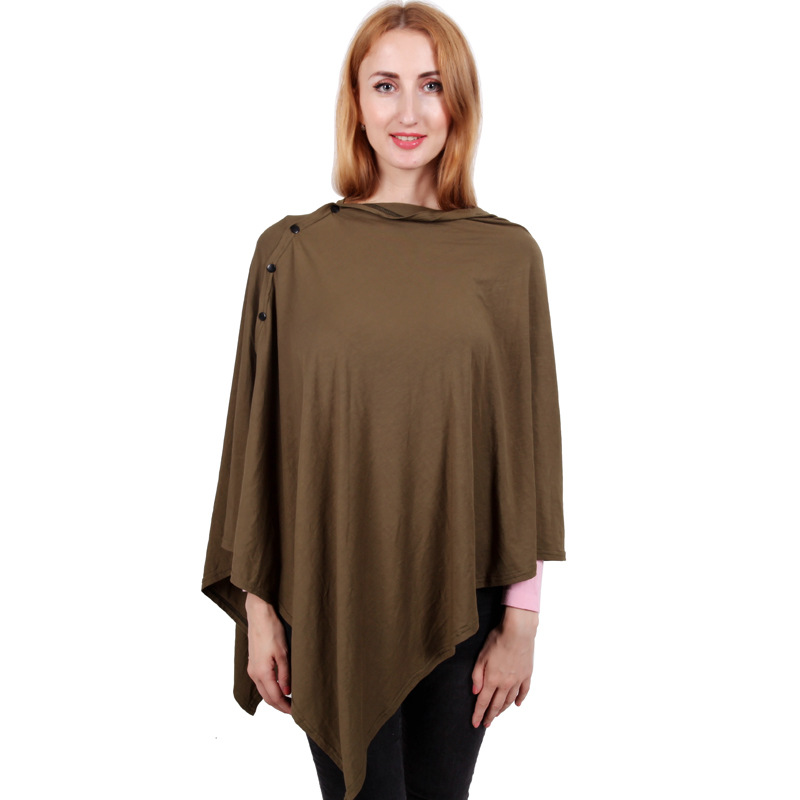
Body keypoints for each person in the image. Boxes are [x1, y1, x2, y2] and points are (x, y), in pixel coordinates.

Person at [201, 2, 566, 798]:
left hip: (464, 591)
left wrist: (523, 621)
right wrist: (261, 613)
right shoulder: (290, 252)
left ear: (459, 102)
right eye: (385, 85)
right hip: (327, 589)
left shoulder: (507, 257)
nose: (408, 112)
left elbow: (528, 447)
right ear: (356, 102)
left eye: (431, 86)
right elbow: (260, 441)